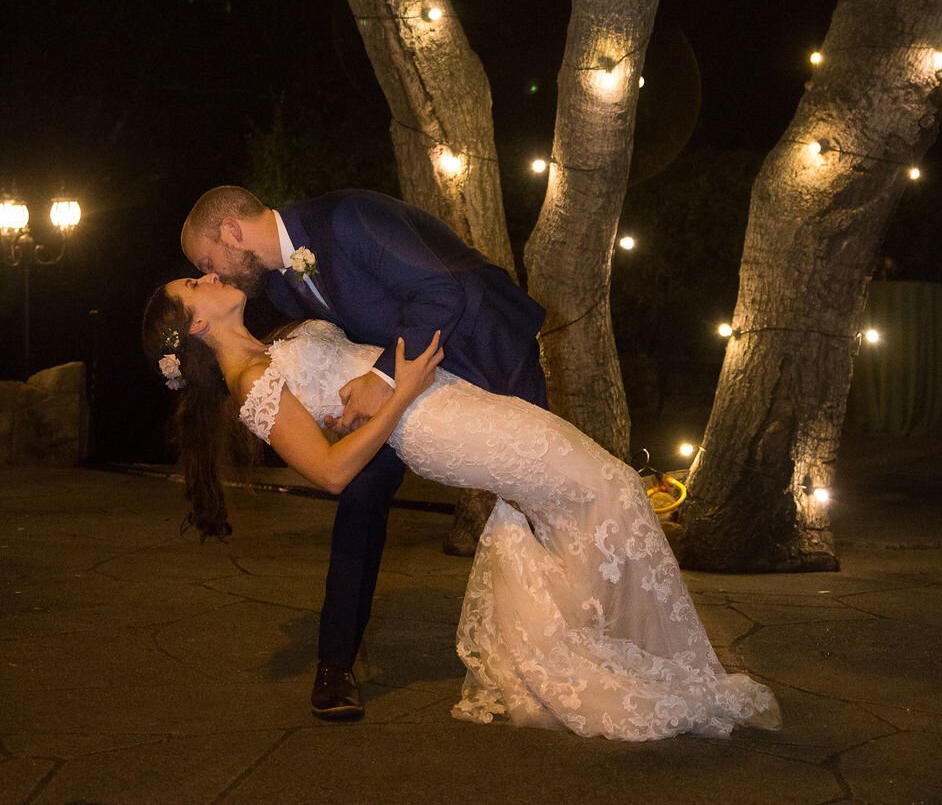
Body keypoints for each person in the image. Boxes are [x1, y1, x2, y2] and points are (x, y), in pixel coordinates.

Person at [142, 271, 781, 741]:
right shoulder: (250, 383)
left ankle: (611, 648)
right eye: (194, 284)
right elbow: (332, 472)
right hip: (429, 423)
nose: (208, 275)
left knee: (595, 493)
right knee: (610, 486)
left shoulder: (266, 346)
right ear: (197, 324)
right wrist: (403, 390)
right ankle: (652, 666)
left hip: (444, 399)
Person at [179, 185, 548, 721]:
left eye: (209, 262)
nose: (217, 276)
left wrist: (382, 380)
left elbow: (443, 293)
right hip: (408, 386)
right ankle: (334, 667)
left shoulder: (347, 217)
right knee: (361, 495)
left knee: (538, 494)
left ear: (232, 232)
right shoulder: (282, 290)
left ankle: (570, 637)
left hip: (486, 345)